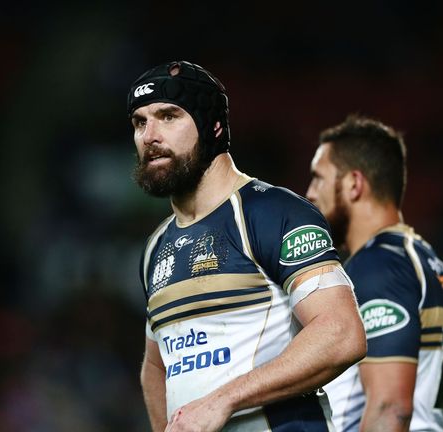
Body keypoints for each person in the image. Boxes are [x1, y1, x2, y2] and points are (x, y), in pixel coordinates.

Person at [128, 61, 367, 432]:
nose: (149, 135)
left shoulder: (272, 213)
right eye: (140, 122)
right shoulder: (156, 246)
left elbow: (341, 333)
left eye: (168, 116)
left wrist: (223, 400)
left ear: (213, 126)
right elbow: (157, 365)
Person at [306, 115, 443, 432]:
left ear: (354, 184)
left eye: (319, 178)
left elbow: (390, 407)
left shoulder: (377, 265)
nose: (310, 193)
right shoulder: (421, 257)